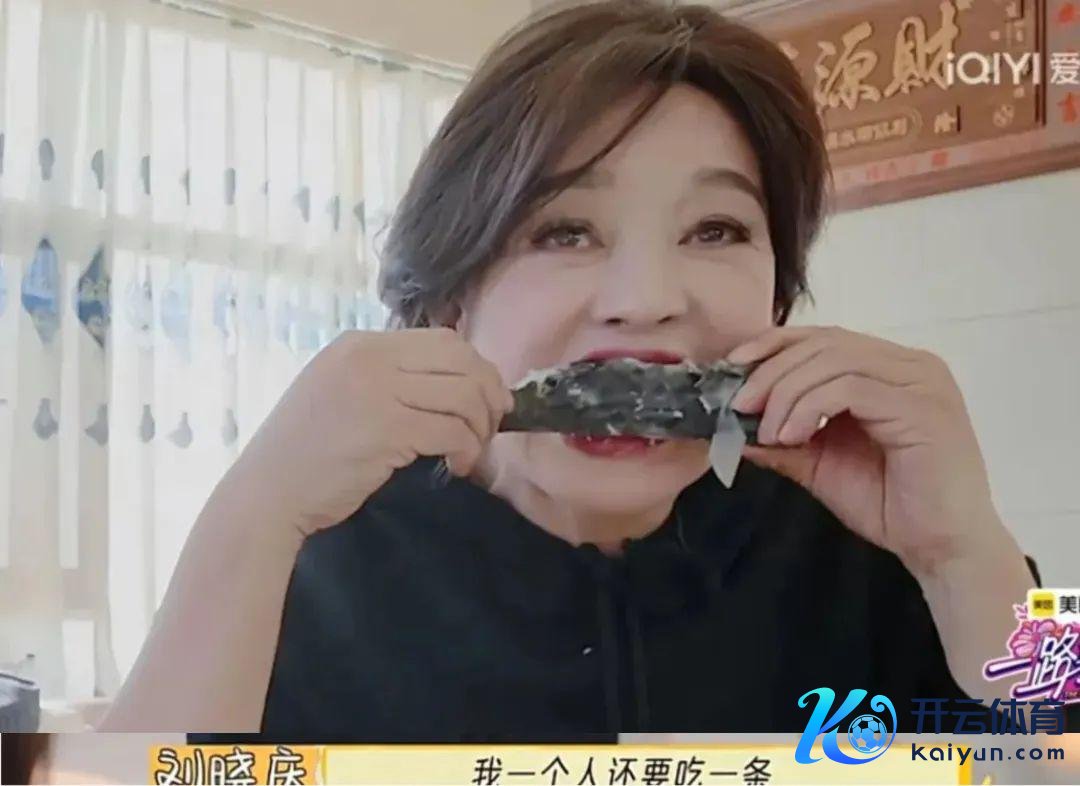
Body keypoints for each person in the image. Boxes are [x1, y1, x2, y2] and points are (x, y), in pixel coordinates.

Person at [101, 0, 1057, 738]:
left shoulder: (867, 552)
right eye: (564, 230)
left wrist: (971, 556)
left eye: (716, 229)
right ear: (451, 299)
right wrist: (247, 519)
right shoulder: (313, 565)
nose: (645, 299)